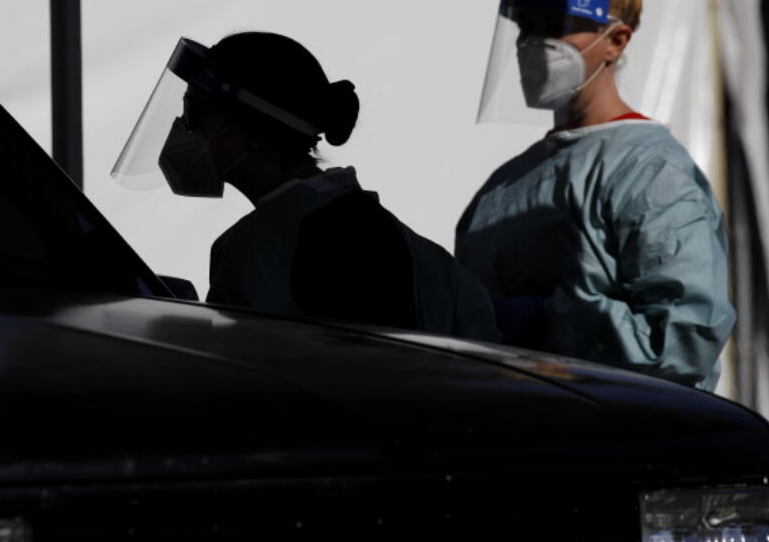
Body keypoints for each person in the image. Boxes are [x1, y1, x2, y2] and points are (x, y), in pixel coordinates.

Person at [455, 0, 735, 390]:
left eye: (558, 28)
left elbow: (681, 342)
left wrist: (550, 320)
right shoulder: (504, 184)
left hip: (621, 444)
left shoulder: (651, 172)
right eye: (528, 28)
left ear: (616, 40)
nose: (535, 45)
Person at [113, 31, 497, 339]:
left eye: (195, 113)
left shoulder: (256, 249)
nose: (181, 129)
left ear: (254, 133)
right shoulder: (425, 255)